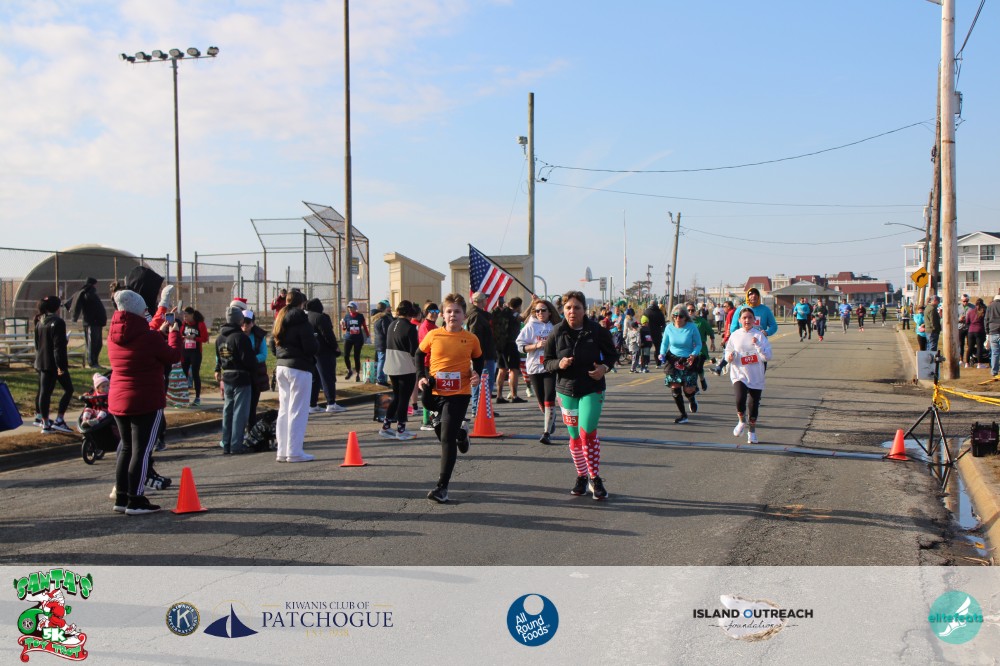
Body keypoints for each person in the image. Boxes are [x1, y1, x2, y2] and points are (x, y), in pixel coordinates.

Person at [107, 289, 182, 514]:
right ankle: (136, 499)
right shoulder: (148, 337)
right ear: (139, 311)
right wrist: (174, 334)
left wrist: (159, 332)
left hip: (119, 398)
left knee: (126, 448)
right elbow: (173, 356)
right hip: (145, 398)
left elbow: (142, 345)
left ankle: (122, 497)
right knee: (142, 451)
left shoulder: (113, 335)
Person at [543, 290, 617, 500]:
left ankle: (595, 478)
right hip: (566, 391)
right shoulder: (556, 332)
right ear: (563, 310)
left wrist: (604, 367)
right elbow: (547, 362)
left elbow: (612, 354)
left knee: (587, 433)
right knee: (574, 436)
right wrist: (559, 364)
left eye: (577, 307)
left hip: (591, 388)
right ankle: (582, 476)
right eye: (568, 307)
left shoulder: (597, 330)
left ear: (584, 310)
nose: (572, 311)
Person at [417, 294, 484, 503]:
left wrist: (477, 373)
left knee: (446, 439)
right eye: (449, 311)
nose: (452, 315)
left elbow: (479, 358)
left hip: (459, 393)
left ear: (464, 315)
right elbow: (419, 354)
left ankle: (442, 488)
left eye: (457, 311)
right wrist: (421, 377)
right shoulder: (434, 335)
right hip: (434, 393)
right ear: (442, 315)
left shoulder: (471, 338)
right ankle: (461, 434)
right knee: (444, 435)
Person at [271, 290, 319, 462]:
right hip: (299, 367)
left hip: (282, 366)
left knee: (284, 410)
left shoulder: (280, 318)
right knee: (298, 410)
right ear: (302, 303)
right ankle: (294, 451)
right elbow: (310, 347)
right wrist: (315, 343)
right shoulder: (302, 321)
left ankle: (282, 450)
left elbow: (272, 344)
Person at [726, 306, 774, 444]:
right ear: (740, 320)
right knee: (739, 398)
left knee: (753, 405)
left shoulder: (759, 335)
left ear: (755, 320)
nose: (747, 320)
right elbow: (728, 351)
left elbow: (767, 357)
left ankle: (752, 432)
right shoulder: (735, 335)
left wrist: (758, 345)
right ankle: (741, 421)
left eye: (750, 318)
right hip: (739, 373)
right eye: (744, 318)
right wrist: (729, 357)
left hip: (755, 374)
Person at [214, 306, 258, 455]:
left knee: (228, 411)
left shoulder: (220, 338)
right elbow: (249, 360)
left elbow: (219, 358)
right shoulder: (240, 337)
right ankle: (236, 444)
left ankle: (226, 443)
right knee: (240, 412)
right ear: (239, 320)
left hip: (227, 376)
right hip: (242, 377)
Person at [517, 298, 559, 444]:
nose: (540, 313)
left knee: (549, 397)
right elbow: (520, 346)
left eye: (543, 310)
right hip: (534, 367)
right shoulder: (530, 326)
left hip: (550, 366)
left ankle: (546, 433)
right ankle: (550, 417)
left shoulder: (555, 326)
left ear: (549, 312)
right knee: (541, 401)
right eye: (537, 311)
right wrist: (536, 346)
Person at [34, 295, 74, 433]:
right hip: (54, 364)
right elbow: (58, 347)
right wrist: (61, 366)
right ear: (57, 308)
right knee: (68, 389)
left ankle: (43, 421)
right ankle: (58, 420)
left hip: (41, 362)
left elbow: (37, 344)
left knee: (44, 392)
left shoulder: (40, 321)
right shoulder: (58, 322)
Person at [381, 301, 419, 440]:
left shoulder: (392, 324)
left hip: (391, 364)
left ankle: (386, 426)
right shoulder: (410, 327)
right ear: (410, 312)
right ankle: (401, 430)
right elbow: (414, 350)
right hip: (405, 366)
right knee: (404, 399)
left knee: (397, 397)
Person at [659, 305, 703, 424]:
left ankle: (692, 399)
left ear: (685, 317)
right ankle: (683, 415)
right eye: (675, 316)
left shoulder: (692, 327)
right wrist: (662, 353)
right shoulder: (669, 328)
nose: (678, 318)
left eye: (681, 316)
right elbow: (664, 343)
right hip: (673, 359)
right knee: (675, 387)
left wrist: (694, 354)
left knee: (688, 389)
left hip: (688, 359)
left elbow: (699, 344)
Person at [305, 298, 345, 413]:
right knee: (327, 378)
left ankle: (312, 404)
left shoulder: (306, 317)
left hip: (312, 351)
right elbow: (328, 335)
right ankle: (331, 403)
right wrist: (335, 347)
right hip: (324, 351)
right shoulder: (320, 317)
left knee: (315, 379)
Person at [466, 292, 497, 417]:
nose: (487, 301)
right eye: (485, 299)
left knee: (483, 382)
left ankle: (482, 408)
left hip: (485, 354)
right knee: (483, 382)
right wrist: (479, 356)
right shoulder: (476, 316)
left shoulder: (478, 314)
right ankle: (479, 408)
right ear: (481, 301)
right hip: (483, 355)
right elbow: (476, 337)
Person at [70, 277, 107, 369]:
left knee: (98, 344)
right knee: (92, 344)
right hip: (91, 322)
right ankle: (92, 362)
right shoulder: (87, 294)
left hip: (97, 322)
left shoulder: (91, 294)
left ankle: (95, 361)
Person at [241, 310, 269, 429]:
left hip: (255, 374)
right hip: (240, 374)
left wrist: (251, 360)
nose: (245, 325)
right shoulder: (236, 334)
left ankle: (251, 429)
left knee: (252, 405)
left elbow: (264, 354)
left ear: (253, 323)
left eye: (248, 322)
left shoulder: (258, 336)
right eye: (243, 322)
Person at [494, 297, 525, 402]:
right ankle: (514, 395)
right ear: (518, 306)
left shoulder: (503, 313)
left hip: (500, 344)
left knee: (502, 370)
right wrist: (532, 304)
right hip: (512, 344)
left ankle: (499, 396)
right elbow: (523, 317)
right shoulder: (514, 314)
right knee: (514, 370)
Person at [179, 307, 209, 407]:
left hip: (195, 353)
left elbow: (205, 338)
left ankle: (197, 397)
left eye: (186, 315)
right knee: (183, 374)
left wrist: (194, 338)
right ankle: (183, 396)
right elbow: (180, 335)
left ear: (192, 315)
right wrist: (183, 337)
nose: (185, 317)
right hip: (185, 352)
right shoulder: (184, 324)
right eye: (184, 315)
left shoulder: (200, 324)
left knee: (195, 373)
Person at [686, 302, 715, 391]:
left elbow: (710, 332)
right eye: (688, 310)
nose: (690, 312)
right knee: (691, 368)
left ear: (695, 311)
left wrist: (712, 343)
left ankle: (702, 379)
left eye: (692, 310)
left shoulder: (702, 322)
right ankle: (695, 386)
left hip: (701, 349)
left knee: (698, 367)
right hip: (689, 349)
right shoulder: (684, 323)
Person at [341, 301, 369, 382]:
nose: (349, 309)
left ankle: (357, 374)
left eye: (351, 307)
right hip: (348, 338)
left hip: (358, 339)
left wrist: (368, 336)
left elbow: (364, 326)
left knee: (356, 357)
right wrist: (342, 325)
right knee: (346, 355)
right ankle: (349, 370)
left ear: (355, 308)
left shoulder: (360, 316)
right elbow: (344, 328)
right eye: (348, 307)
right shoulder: (346, 316)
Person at [371, 300, 392, 387]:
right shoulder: (384, 318)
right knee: (382, 361)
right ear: (384, 309)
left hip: (378, 342)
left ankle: (381, 378)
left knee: (381, 360)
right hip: (383, 342)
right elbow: (386, 331)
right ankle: (380, 379)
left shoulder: (376, 318)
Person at [643, 299, 667, 367]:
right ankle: (658, 363)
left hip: (648, 332)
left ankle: (646, 363)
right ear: (657, 304)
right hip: (657, 332)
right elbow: (663, 324)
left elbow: (643, 321)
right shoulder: (660, 313)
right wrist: (662, 330)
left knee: (647, 348)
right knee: (658, 348)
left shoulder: (646, 312)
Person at [965, 299, 986, 369]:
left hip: (971, 331)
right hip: (980, 330)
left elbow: (967, 322)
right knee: (979, 347)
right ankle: (979, 363)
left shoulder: (970, 311)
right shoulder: (983, 311)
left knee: (970, 347)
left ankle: (967, 363)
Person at [985, 289, 1000, 377]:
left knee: (994, 353)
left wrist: (987, 332)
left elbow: (986, 320)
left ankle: (994, 371)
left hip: (992, 331)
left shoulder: (990, 306)